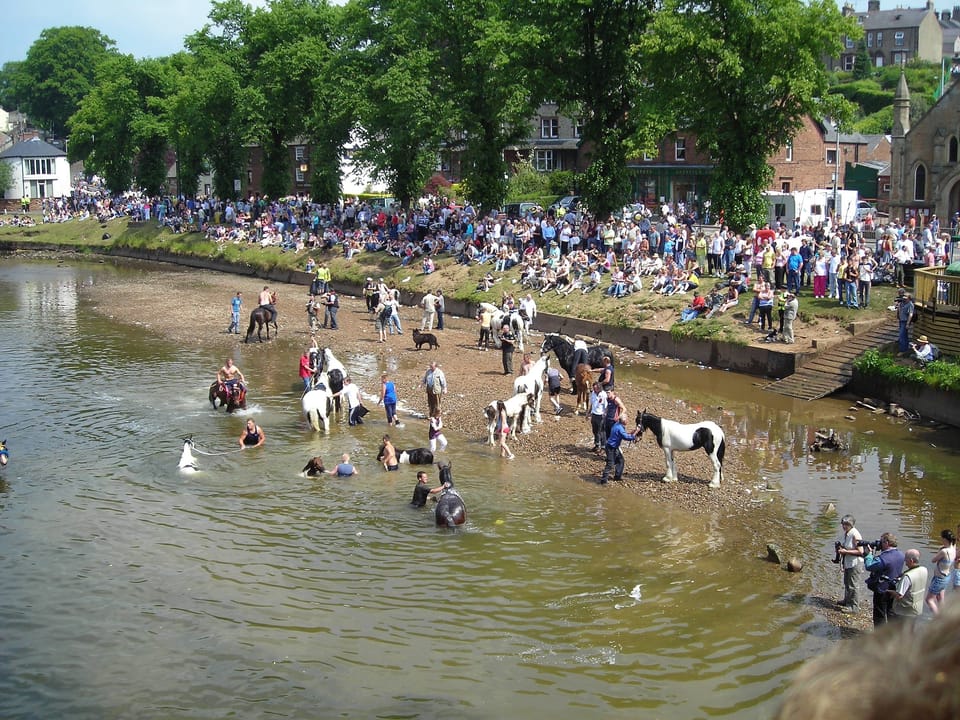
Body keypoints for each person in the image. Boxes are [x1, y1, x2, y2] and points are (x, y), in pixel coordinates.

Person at [864, 532, 905, 627]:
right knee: (891, 612)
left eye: (881, 542)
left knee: (879, 614)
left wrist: (869, 554)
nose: (879, 544)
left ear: (886, 543)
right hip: (894, 588)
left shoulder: (884, 558)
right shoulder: (901, 555)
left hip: (882, 589)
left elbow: (869, 566)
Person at [834, 514, 864, 614]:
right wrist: (841, 547)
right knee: (847, 583)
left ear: (851, 525)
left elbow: (860, 551)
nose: (844, 526)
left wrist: (845, 552)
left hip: (855, 564)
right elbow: (849, 547)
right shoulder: (847, 533)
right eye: (843, 524)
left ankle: (854, 607)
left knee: (853, 585)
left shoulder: (855, 534)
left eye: (846, 524)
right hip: (848, 563)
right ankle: (847, 601)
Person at [889, 549, 928, 625]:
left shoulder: (907, 576)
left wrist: (889, 591)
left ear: (911, 560)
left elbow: (899, 596)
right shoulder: (924, 570)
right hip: (917, 608)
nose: (905, 563)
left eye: (906, 560)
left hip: (905, 611)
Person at [600, 415, 639, 484]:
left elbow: (622, 434)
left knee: (620, 461)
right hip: (611, 448)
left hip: (613, 447)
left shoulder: (617, 425)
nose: (628, 421)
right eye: (627, 419)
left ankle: (617, 477)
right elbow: (626, 437)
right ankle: (603, 480)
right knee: (610, 464)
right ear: (624, 421)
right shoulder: (620, 428)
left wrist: (631, 433)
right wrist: (636, 432)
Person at [925, 529, 956, 615]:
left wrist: (940, 549)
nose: (941, 540)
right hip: (946, 576)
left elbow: (933, 560)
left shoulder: (944, 551)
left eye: (942, 538)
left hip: (939, 578)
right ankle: (944, 616)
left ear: (945, 539)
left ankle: (938, 619)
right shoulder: (953, 547)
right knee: (940, 598)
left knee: (929, 600)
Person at [588, 381, 607, 453]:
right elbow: (592, 404)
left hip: (600, 416)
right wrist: (588, 412)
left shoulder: (604, 395)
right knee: (595, 431)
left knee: (601, 432)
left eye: (595, 389)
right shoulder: (593, 393)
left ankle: (603, 447)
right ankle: (597, 445)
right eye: (594, 388)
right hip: (594, 414)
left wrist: (604, 414)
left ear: (599, 389)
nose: (594, 390)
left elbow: (606, 406)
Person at [897, 290, 915, 355]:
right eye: (903, 296)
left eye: (905, 296)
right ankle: (905, 348)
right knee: (904, 335)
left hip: (905, 321)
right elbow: (899, 310)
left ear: (909, 298)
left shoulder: (910, 304)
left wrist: (908, 323)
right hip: (901, 320)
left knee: (901, 335)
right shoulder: (902, 303)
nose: (904, 297)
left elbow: (910, 314)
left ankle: (902, 350)